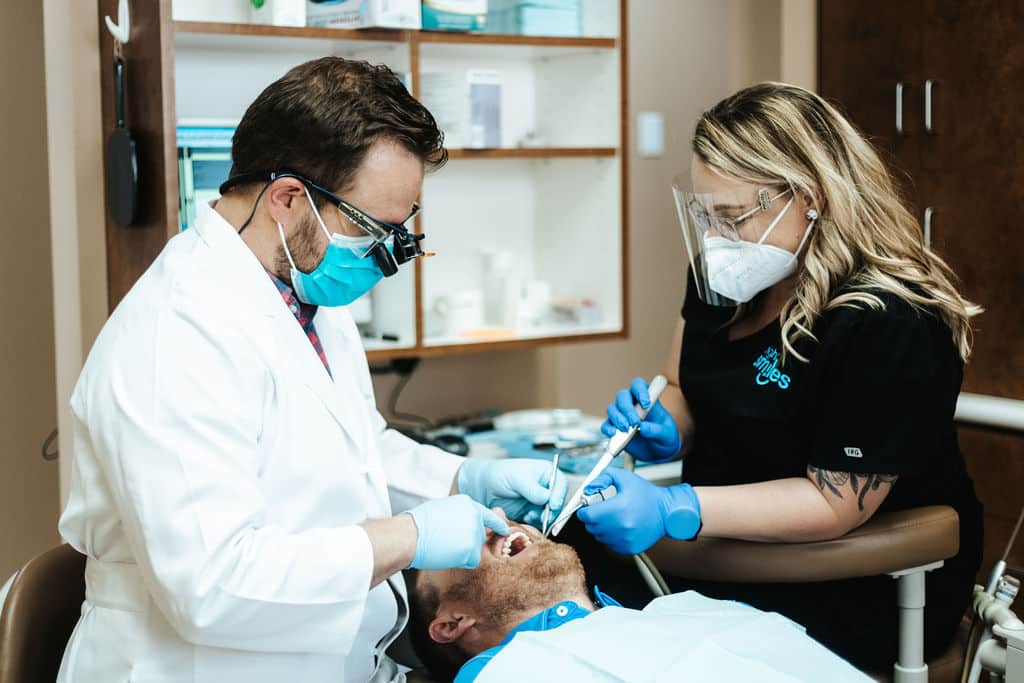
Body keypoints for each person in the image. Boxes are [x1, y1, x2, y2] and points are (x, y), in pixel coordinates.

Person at [57, 57, 565, 683]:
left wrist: (466, 478)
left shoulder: (301, 294)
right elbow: (213, 586)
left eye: (401, 230)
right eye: (372, 230)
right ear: (288, 198)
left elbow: (351, 450)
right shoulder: (174, 334)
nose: (387, 256)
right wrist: (410, 537)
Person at [580, 82, 984, 669]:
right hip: (721, 551)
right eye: (705, 216)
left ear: (810, 198)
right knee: (559, 558)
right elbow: (681, 383)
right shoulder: (724, 278)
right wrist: (666, 425)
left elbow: (834, 504)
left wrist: (675, 509)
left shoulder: (890, 320)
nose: (715, 241)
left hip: (851, 576)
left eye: (732, 217)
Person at [408, 513, 872, 682]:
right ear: (451, 623)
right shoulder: (499, 674)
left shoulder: (689, 609)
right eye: (455, 541)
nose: (496, 522)